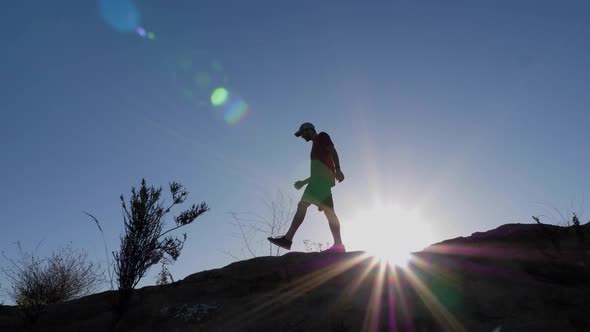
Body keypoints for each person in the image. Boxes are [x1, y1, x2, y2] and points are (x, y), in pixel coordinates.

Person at [268, 122, 346, 253]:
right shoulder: (314, 147)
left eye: (303, 133)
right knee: (329, 212)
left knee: (303, 205)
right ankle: (339, 246)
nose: (302, 137)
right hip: (319, 181)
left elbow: (332, 150)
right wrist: (303, 182)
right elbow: (317, 171)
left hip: (320, 181)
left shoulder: (322, 136)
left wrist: (338, 169)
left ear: (309, 130)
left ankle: (287, 239)